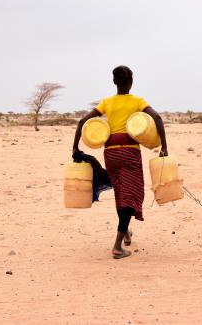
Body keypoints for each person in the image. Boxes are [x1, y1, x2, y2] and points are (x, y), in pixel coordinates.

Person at [72, 65, 168, 259]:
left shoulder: (107, 103)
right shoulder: (137, 101)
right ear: (131, 83)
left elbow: (82, 122)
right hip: (130, 153)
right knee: (131, 194)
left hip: (111, 153)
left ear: (114, 82)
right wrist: (164, 146)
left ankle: (125, 233)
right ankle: (117, 246)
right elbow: (156, 117)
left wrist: (74, 147)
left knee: (121, 193)